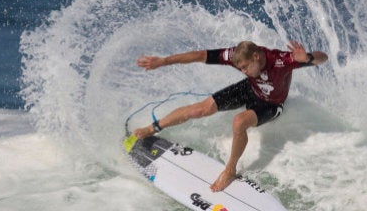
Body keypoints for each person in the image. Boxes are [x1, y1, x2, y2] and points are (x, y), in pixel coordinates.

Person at [132, 40, 328, 191]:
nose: (242, 71)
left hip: (271, 104)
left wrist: (309, 57)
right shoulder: (237, 56)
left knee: (239, 122)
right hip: (251, 89)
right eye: (240, 68)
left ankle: (230, 170)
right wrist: (164, 61)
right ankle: (154, 127)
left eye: (245, 67)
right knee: (201, 109)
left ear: (257, 57)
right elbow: (200, 55)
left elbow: (323, 57)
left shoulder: (282, 60)